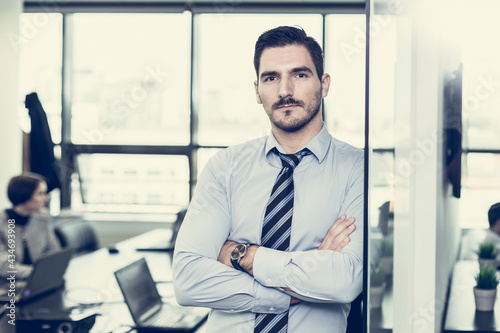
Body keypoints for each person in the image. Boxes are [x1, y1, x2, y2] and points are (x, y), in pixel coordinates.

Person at [173, 26, 363, 333]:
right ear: (257, 90)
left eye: (300, 75)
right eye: (271, 77)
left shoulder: (357, 168)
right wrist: (305, 277)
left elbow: (345, 281)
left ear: (324, 84)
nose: (284, 90)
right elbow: (187, 281)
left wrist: (243, 255)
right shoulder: (224, 167)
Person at [0, 173, 61, 279]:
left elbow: (54, 251)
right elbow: (4, 267)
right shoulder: (2, 223)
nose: (45, 198)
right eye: (40, 193)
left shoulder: (43, 218)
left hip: (38, 280)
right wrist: (38, 273)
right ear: (25, 195)